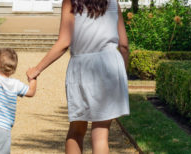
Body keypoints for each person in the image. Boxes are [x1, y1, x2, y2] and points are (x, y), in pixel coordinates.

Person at [26, 0, 130, 153]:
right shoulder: (113, 2)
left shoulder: (70, 2)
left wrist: (37, 69)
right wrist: (123, 73)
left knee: (76, 130)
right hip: (110, 66)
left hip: (82, 67)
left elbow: (64, 42)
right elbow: (124, 45)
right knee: (101, 135)